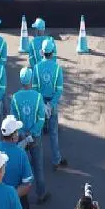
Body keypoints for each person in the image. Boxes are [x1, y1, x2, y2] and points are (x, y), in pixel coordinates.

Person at [10, 67, 49, 204]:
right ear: (31, 80)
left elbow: (13, 119)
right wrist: (32, 132)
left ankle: (20, 193)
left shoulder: (15, 98)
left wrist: (22, 133)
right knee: (38, 166)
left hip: (20, 138)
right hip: (35, 136)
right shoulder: (38, 97)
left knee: (20, 167)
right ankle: (41, 193)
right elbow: (41, 119)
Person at [34, 39, 68, 171]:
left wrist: (42, 104)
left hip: (40, 104)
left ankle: (36, 159)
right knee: (53, 134)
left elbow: (36, 88)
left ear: (42, 52)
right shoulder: (57, 68)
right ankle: (56, 159)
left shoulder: (36, 68)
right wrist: (51, 104)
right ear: (52, 53)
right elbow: (59, 89)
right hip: (52, 104)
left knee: (39, 132)